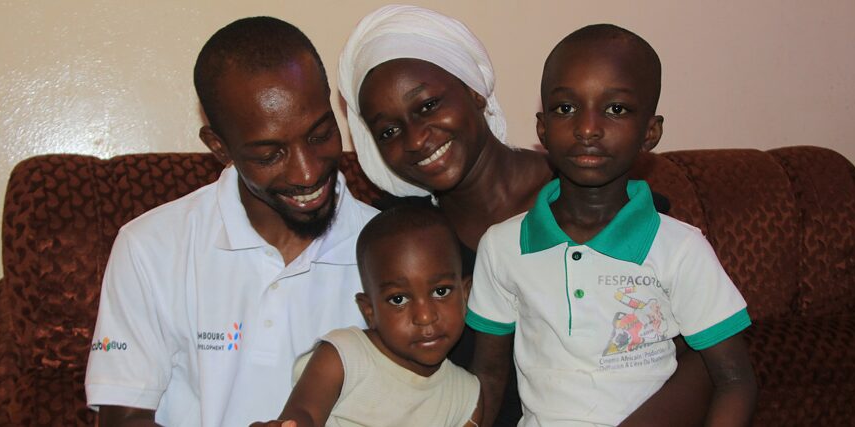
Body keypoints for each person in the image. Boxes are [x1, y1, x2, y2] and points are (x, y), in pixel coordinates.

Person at [338, 5, 713, 426]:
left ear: (475, 91)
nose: (415, 139)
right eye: (388, 131)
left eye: (427, 106)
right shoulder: (401, 240)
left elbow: (703, 356)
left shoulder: (593, 190)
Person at [84, 17, 378, 427]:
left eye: (319, 134)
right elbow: (123, 418)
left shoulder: (390, 248)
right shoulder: (149, 247)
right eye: (269, 154)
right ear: (219, 148)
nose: (307, 172)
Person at [466, 24, 758, 426]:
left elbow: (735, 380)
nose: (587, 128)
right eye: (566, 108)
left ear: (650, 133)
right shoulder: (502, 247)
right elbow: (489, 375)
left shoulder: (680, 248)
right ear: (542, 128)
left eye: (615, 109)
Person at [251, 204, 482, 427]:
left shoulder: (465, 397)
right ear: (368, 311)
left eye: (440, 292)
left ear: (465, 294)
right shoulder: (343, 356)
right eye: (398, 299)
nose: (424, 317)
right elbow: (305, 414)